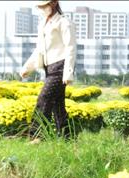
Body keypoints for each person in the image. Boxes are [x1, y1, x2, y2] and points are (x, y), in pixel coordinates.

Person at [20, 0, 76, 139]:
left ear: (54, 4)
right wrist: (28, 67)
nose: (41, 9)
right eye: (40, 6)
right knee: (58, 105)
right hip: (49, 68)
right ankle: (66, 138)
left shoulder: (64, 22)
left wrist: (68, 73)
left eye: (44, 6)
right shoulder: (43, 24)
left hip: (60, 67)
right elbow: (39, 50)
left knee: (43, 99)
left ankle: (36, 136)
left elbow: (71, 48)